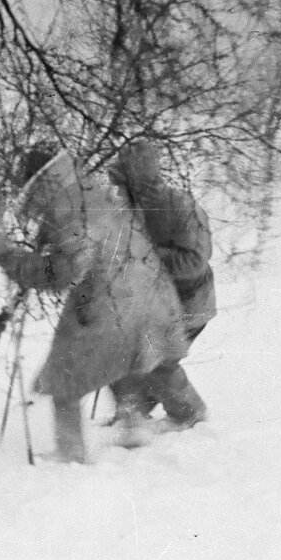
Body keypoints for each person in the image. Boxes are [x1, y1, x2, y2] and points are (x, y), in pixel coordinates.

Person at [0, 146, 188, 462]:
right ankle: (133, 424)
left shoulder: (67, 209)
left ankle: (70, 455)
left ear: (39, 184)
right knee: (121, 360)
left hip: (112, 307)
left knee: (65, 380)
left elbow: (65, 272)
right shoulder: (91, 192)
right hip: (149, 297)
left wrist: (12, 259)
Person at [106, 141, 215, 445]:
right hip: (147, 302)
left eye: (125, 181)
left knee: (157, 357)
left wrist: (148, 257)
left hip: (188, 300)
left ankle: (189, 413)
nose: (119, 189)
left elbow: (195, 260)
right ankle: (133, 413)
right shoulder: (123, 209)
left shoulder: (180, 207)